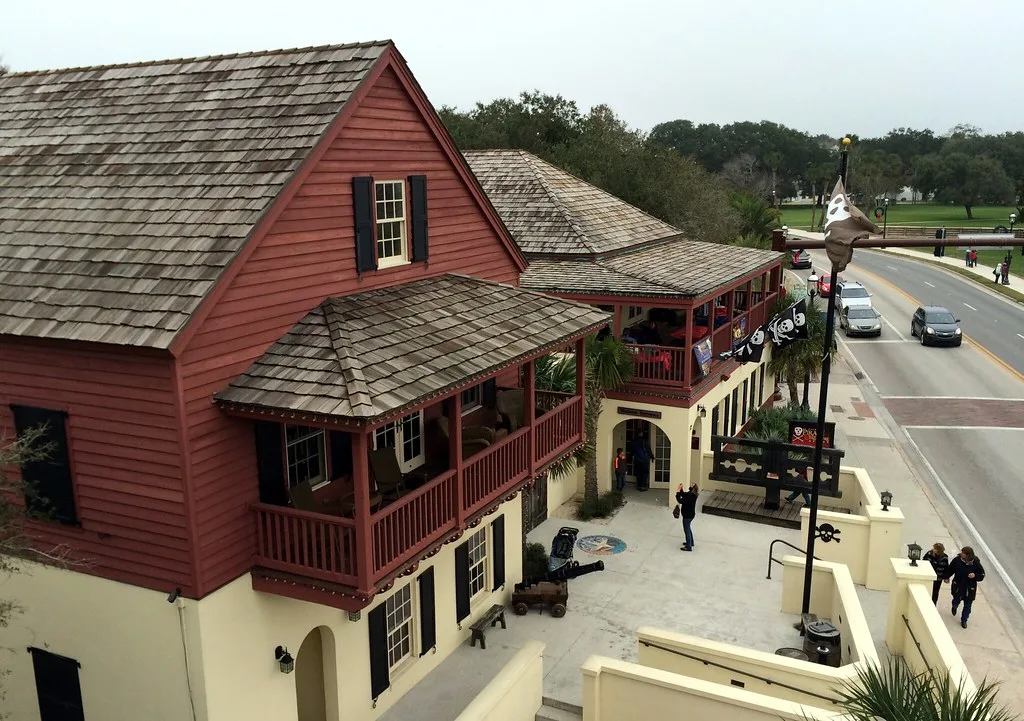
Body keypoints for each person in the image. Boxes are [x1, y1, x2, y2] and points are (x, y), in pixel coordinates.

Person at [944, 546, 986, 628]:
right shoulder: (957, 560)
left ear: (968, 555)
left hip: (969, 588)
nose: (961, 554)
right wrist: (946, 577)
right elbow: (950, 569)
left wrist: (975, 575)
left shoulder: (976, 562)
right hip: (958, 585)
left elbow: (982, 575)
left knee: (968, 606)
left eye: (963, 553)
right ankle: (954, 606)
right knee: (956, 599)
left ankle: (964, 620)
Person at [676, 483, 699, 551]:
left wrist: (677, 493)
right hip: (690, 515)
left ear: (693, 487)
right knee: (688, 528)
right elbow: (684, 494)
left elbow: (680, 500)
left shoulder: (690, 496)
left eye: (691, 485)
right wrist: (681, 489)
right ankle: (691, 542)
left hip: (687, 515)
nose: (690, 485)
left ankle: (688, 546)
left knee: (686, 530)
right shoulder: (692, 494)